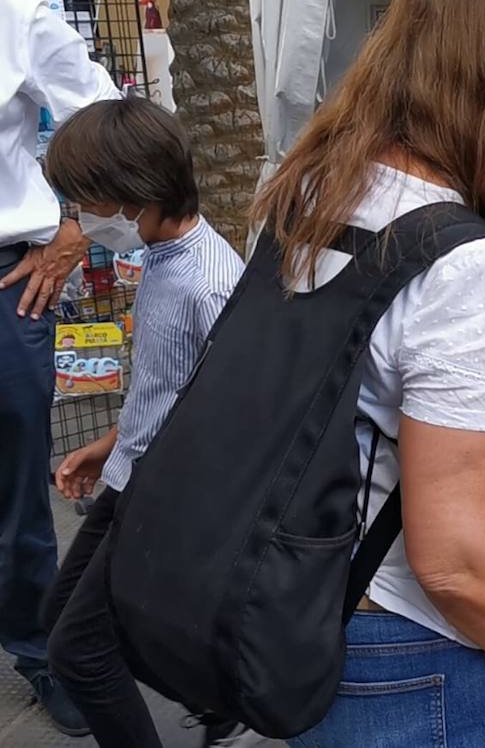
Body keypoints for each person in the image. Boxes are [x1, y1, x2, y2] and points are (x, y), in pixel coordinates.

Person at [104, 0, 485, 746]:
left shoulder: (316, 185)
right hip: (421, 657)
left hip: (313, 614)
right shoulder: (468, 263)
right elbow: (457, 560)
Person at [40, 96, 250, 747]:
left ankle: (227, 697)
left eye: (87, 202)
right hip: (134, 476)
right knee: (61, 626)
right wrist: (110, 445)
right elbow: (171, 388)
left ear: (135, 194)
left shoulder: (207, 282)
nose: (81, 220)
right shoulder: (160, 257)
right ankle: (222, 701)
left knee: (80, 652)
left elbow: (235, 415)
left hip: (165, 494)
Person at [0, 0, 120, 736]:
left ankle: (41, 650)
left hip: (7, 280)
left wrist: (75, 225)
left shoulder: (15, 14)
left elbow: (109, 120)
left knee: (15, 489)